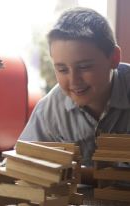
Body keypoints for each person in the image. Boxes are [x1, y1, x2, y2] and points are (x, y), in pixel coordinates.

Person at [18, 7, 129, 183]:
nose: (74, 80)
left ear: (114, 58)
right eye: (62, 69)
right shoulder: (50, 110)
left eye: (84, 67)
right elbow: (19, 167)